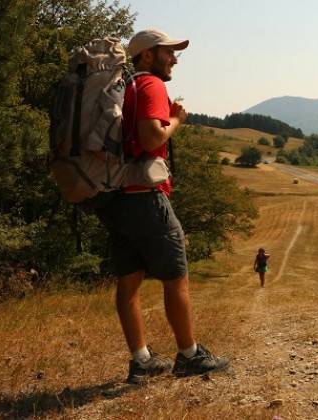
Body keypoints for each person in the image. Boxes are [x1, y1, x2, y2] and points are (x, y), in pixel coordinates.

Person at [96, 29, 228, 384]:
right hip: (145, 198)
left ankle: (141, 360)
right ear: (147, 56)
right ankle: (189, 355)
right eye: (168, 52)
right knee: (176, 275)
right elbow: (153, 135)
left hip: (117, 198)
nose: (174, 58)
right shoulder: (151, 85)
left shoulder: (123, 88)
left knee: (128, 282)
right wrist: (176, 121)